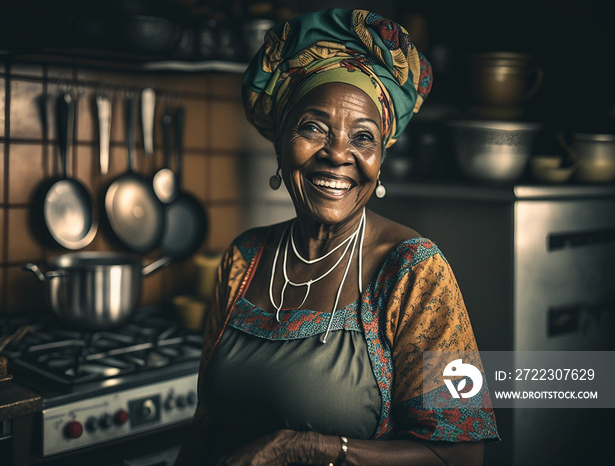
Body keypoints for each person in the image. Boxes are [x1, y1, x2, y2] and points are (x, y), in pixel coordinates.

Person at [175, 8, 499, 466]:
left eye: (363, 137)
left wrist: (311, 448)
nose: (338, 154)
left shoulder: (412, 270)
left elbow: (462, 454)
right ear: (280, 140)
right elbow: (205, 421)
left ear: (380, 158)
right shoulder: (244, 258)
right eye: (313, 127)